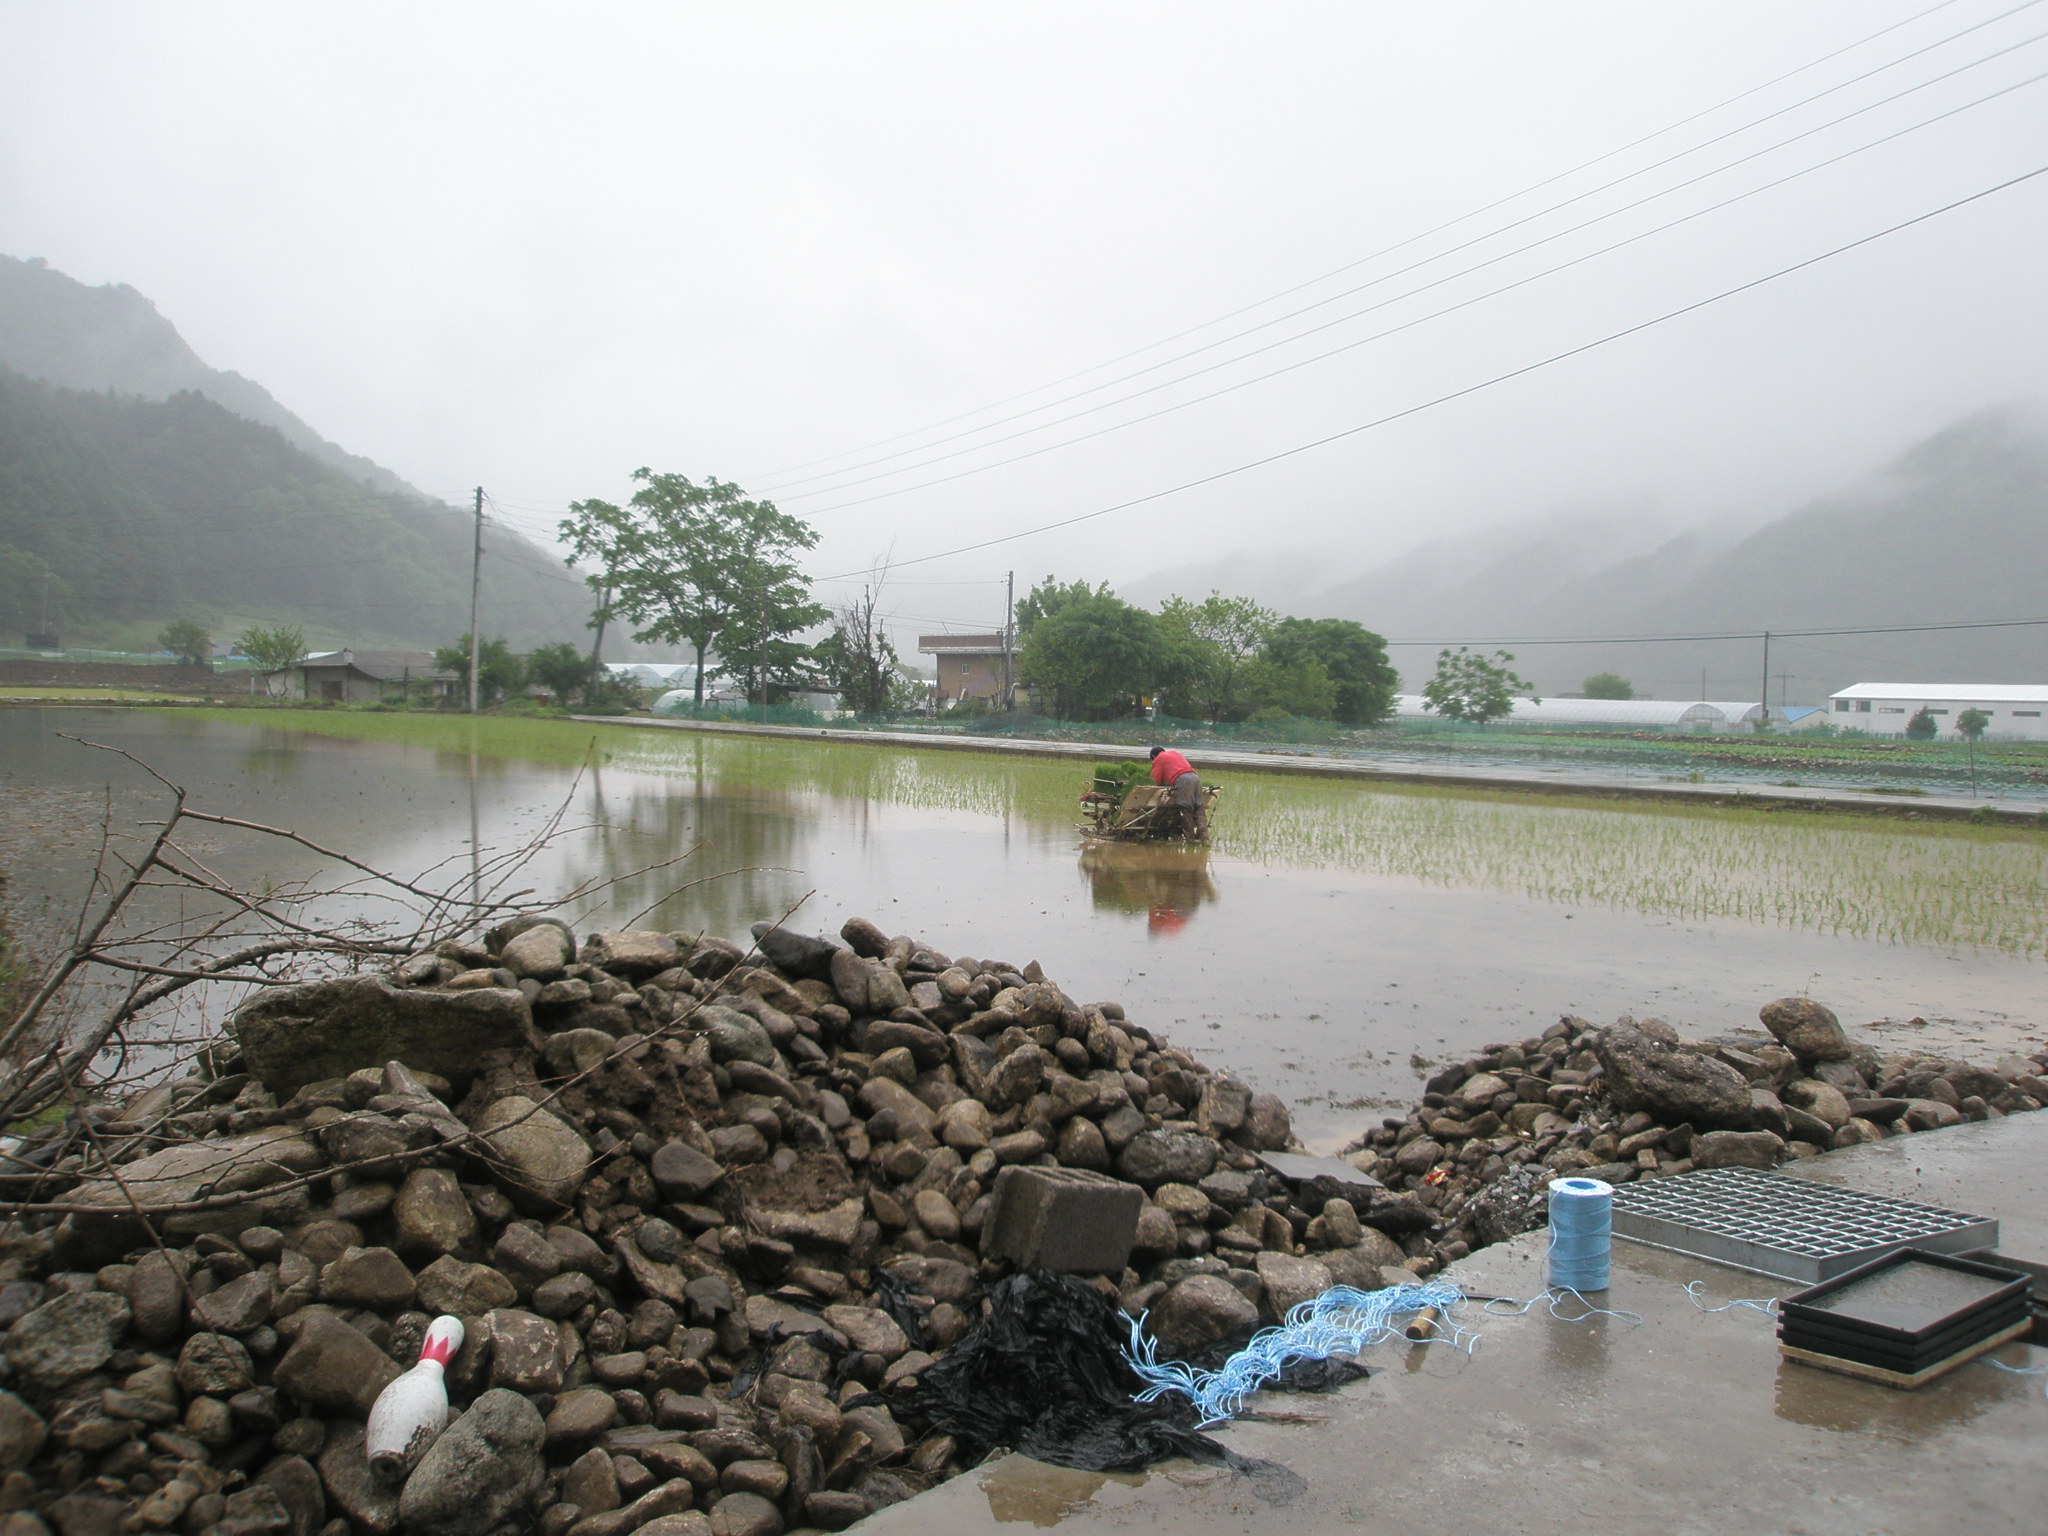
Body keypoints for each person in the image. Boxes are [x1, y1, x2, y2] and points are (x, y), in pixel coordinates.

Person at [1147, 746, 1208, 841]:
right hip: (1195, 778)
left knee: (1185, 809)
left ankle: (1190, 840)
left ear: (1153, 756)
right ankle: (1205, 838)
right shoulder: (1175, 753)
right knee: (1199, 808)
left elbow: (1154, 780)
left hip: (1183, 780)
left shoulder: (1158, 758)